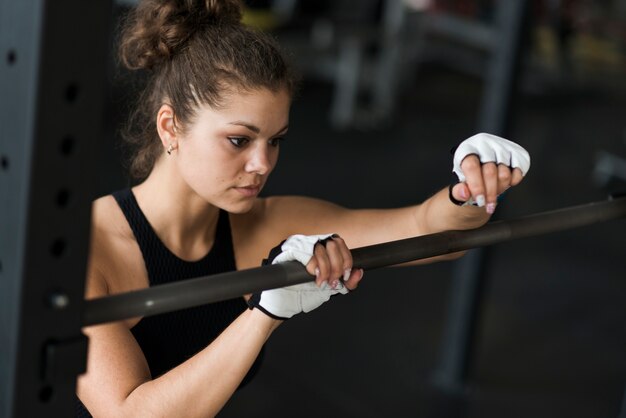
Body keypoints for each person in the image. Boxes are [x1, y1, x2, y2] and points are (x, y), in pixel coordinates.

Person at [76, 0, 531, 416]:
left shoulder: (263, 225)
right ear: (170, 127)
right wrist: (264, 316)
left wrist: (470, 189)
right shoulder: (89, 249)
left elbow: (425, 233)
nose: (262, 164)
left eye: (274, 141)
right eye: (239, 140)